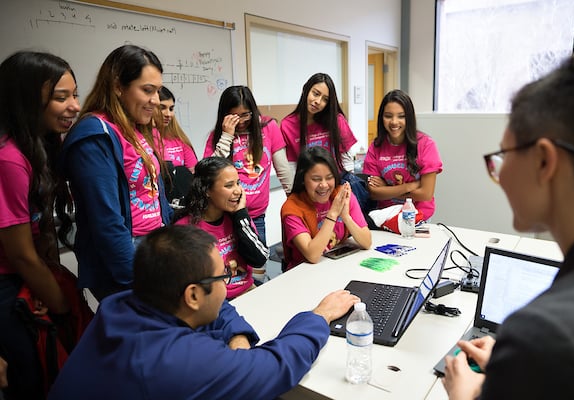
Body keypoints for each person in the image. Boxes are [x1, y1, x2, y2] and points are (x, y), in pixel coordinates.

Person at [48, 224, 359, 399]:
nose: (227, 286)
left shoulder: (122, 304)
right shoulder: (178, 361)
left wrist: (237, 335)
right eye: (222, 276)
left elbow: (220, 307)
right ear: (193, 295)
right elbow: (276, 366)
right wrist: (318, 316)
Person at [442, 55, 574, 399]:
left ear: (544, 161)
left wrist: (467, 395)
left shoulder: (543, 333)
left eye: (504, 153)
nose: (498, 172)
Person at [61, 45, 173, 302]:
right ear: (118, 86)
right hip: (126, 260)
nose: (155, 100)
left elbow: (156, 195)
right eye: (147, 90)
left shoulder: (135, 126)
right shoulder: (94, 135)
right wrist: (137, 280)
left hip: (154, 248)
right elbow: (107, 222)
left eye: (156, 91)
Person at [0, 51, 79, 399]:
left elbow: (42, 235)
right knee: (32, 377)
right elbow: (20, 255)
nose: (75, 106)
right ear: (26, 100)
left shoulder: (40, 146)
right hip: (7, 283)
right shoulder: (9, 159)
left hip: (30, 275)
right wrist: (60, 305)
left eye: (75, 94)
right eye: (61, 97)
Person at [204, 85, 293, 247]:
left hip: (256, 216)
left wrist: (293, 197)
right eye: (234, 116)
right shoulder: (216, 136)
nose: (241, 121)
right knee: (231, 266)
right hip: (225, 215)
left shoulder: (269, 127)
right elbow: (208, 174)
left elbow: (283, 169)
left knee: (258, 264)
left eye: (245, 115)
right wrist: (226, 137)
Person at [173, 157, 269, 299]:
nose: (238, 191)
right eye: (229, 185)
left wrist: (241, 216)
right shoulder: (186, 229)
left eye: (238, 183)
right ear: (207, 190)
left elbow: (260, 259)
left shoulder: (238, 216)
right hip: (216, 302)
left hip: (246, 290)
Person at [280, 146, 372, 270]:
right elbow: (312, 255)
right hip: (303, 272)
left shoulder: (341, 195)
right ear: (302, 179)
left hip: (335, 267)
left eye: (329, 178)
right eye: (316, 179)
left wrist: (346, 216)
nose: (324, 185)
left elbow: (366, 242)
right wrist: (333, 214)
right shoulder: (292, 208)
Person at [362, 89, 442, 222]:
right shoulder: (376, 147)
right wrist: (408, 186)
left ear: (409, 118)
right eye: (388, 116)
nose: (394, 122)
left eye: (401, 116)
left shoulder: (426, 144)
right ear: (382, 118)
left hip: (418, 218)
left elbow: (425, 194)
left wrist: (387, 190)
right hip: (386, 218)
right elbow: (374, 193)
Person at [280, 72, 357, 175]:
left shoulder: (337, 120)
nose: (318, 101)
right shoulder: (287, 125)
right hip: (307, 185)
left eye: (325, 99)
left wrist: (347, 185)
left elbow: (347, 161)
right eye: (316, 94)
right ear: (305, 90)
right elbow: (292, 165)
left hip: (337, 182)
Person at [156, 86, 197, 172]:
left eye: (171, 109)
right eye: (162, 108)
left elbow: (195, 175)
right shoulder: (142, 140)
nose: (168, 114)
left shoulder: (180, 139)